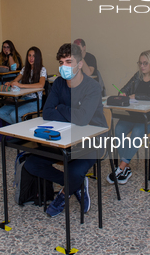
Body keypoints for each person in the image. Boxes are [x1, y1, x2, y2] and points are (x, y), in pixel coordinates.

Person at [24, 43, 107, 217]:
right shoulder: (59, 83)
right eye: (61, 62)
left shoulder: (92, 87)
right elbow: (46, 112)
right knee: (32, 164)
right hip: (63, 137)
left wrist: (60, 108)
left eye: (69, 61)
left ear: (80, 64)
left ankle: (64, 193)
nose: (64, 66)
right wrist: (70, 113)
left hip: (92, 141)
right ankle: (75, 185)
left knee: (74, 170)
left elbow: (83, 119)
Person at [107, 50, 150, 184]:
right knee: (119, 129)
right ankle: (126, 167)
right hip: (136, 114)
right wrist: (123, 94)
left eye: (145, 63)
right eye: (140, 63)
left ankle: (121, 167)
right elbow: (124, 89)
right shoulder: (137, 76)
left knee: (138, 131)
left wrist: (137, 96)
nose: (142, 66)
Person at [0, 46, 47, 124]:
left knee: (14, 115)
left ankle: (21, 132)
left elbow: (41, 85)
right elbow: (16, 80)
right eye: (29, 55)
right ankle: (21, 129)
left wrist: (21, 85)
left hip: (35, 101)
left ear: (38, 58)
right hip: (24, 99)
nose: (31, 58)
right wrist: (10, 83)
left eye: (34, 56)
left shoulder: (42, 69)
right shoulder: (25, 69)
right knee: (1, 112)